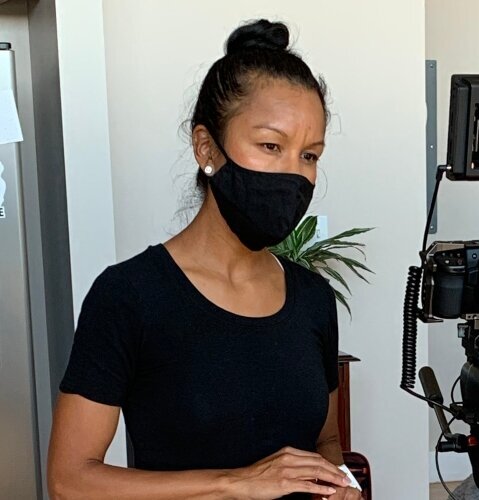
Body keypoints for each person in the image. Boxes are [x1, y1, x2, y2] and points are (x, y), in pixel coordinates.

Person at [48, 19, 361, 500]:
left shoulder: (313, 298)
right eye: (271, 146)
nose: (293, 174)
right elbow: (69, 480)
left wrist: (340, 485)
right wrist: (237, 483)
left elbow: (326, 445)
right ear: (206, 147)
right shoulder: (129, 296)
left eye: (310, 155)